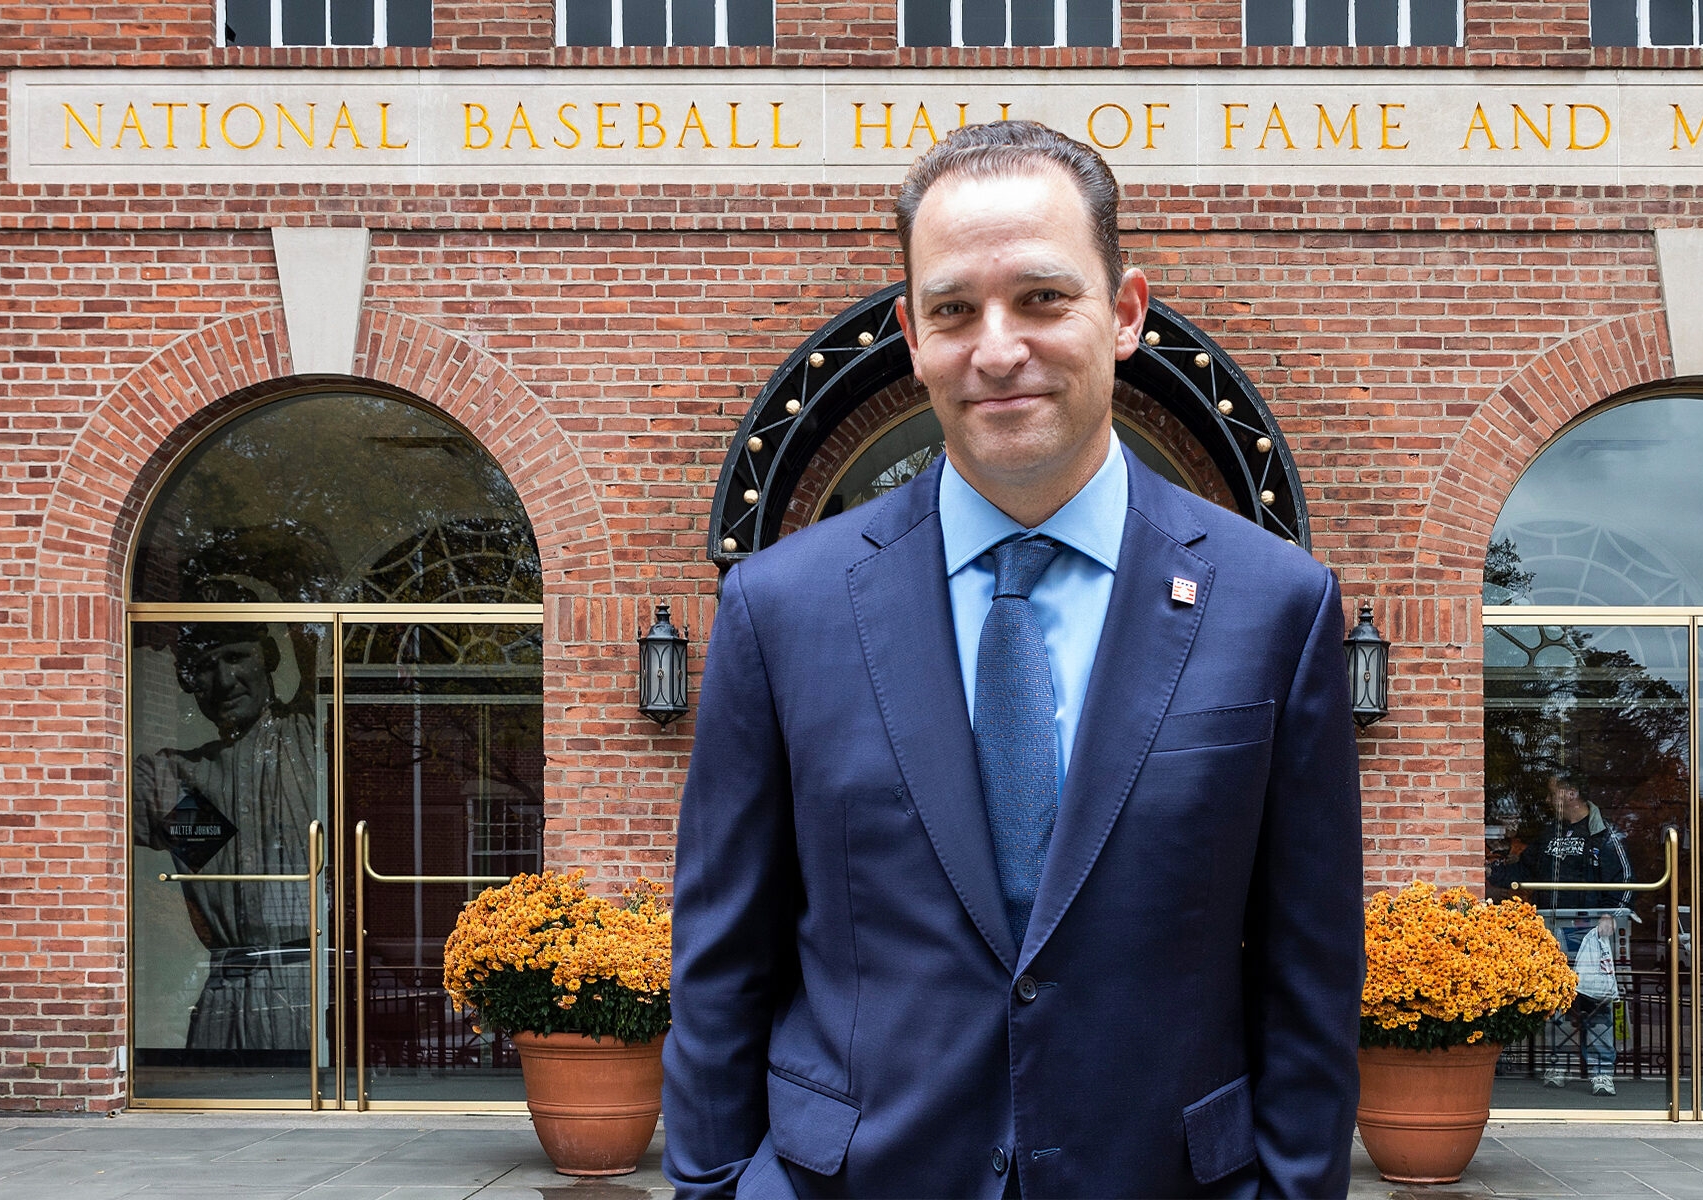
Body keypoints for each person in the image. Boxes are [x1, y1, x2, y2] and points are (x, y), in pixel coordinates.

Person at [663, 120, 1364, 1198]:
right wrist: (714, 1187)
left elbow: (1307, 972)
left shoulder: (1276, 605)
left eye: (1042, 298)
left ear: (1125, 312)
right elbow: (721, 957)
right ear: (911, 334)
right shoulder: (779, 607)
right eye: (954, 310)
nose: (997, 349)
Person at [133, 622, 321, 1058]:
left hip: (308, 990)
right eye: (204, 667)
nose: (223, 681)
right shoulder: (179, 777)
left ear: (269, 659)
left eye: (237, 657)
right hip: (226, 1001)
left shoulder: (313, 736)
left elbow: (324, 653)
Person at [1525, 775, 1632, 1097]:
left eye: (1553, 793)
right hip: (1553, 925)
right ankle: (1557, 1064)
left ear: (1571, 793)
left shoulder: (1604, 833)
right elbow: (1526, 868)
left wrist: (1610, 914)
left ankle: (1601, 1072)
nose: (1549, 800)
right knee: (1556, 999)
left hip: (1589, 929)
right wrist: (1491, 871)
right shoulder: (1549, 834)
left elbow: (1625, 878)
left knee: (1596, 999)